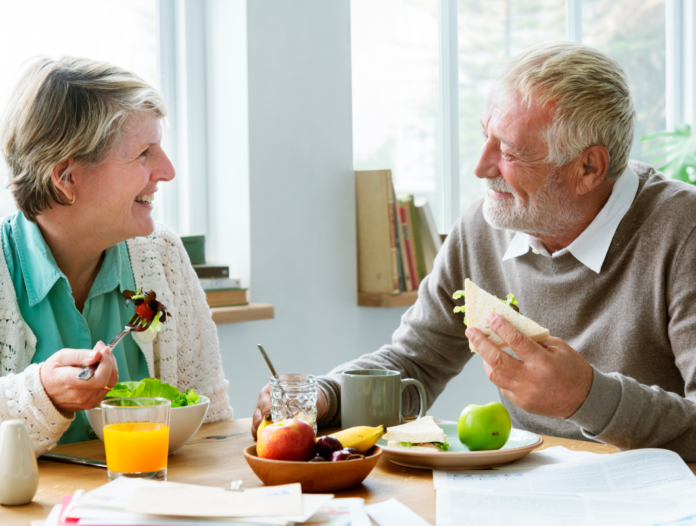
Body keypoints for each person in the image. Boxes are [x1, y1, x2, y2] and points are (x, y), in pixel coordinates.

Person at [252, 41, 696, 460]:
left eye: (509, 151)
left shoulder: (683, 232)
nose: (481, 167)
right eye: (486, 137)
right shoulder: (484, 226)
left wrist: (586, 398)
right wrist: (327, 395)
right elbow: (414, 362)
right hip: (528, 491)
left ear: (588, 167)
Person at [0, 56, 232, 456]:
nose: (168, 170)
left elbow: (211, 430)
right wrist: (42, 395)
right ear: (67, 178)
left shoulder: (164, 256)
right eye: (143, 153)